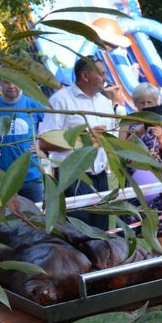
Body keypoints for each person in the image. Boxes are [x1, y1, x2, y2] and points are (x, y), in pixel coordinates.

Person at [37, 56, 115, 230]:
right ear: (85, 76)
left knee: (101, 230)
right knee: (78, 230)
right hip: (72, 176)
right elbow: (43, 142)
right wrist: (81, 139)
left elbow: (111, 137)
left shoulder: (105, 102)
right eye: (101, 73)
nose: (105, 78)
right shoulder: (60, 100)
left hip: (100, 174)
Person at [0, 74, 47, 204]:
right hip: (2, 177)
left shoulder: (33, 105)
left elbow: (53, 127)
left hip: (31, 176)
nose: (11, 86)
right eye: (6, 82)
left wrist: (42, 146)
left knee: (37, 218)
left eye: (15, 82)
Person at [123, 82, 162, 251]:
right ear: (135, 103)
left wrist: (161, 138)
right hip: (134, 181)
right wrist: (134, 136)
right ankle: (135, 266)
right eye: (141, 102)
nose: (145, 106)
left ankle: (161, 266)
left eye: (149, 102)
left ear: (156, 102)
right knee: (131, 228)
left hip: (157, 183)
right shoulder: (126, 122)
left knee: (159, 230)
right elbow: (120, 153)